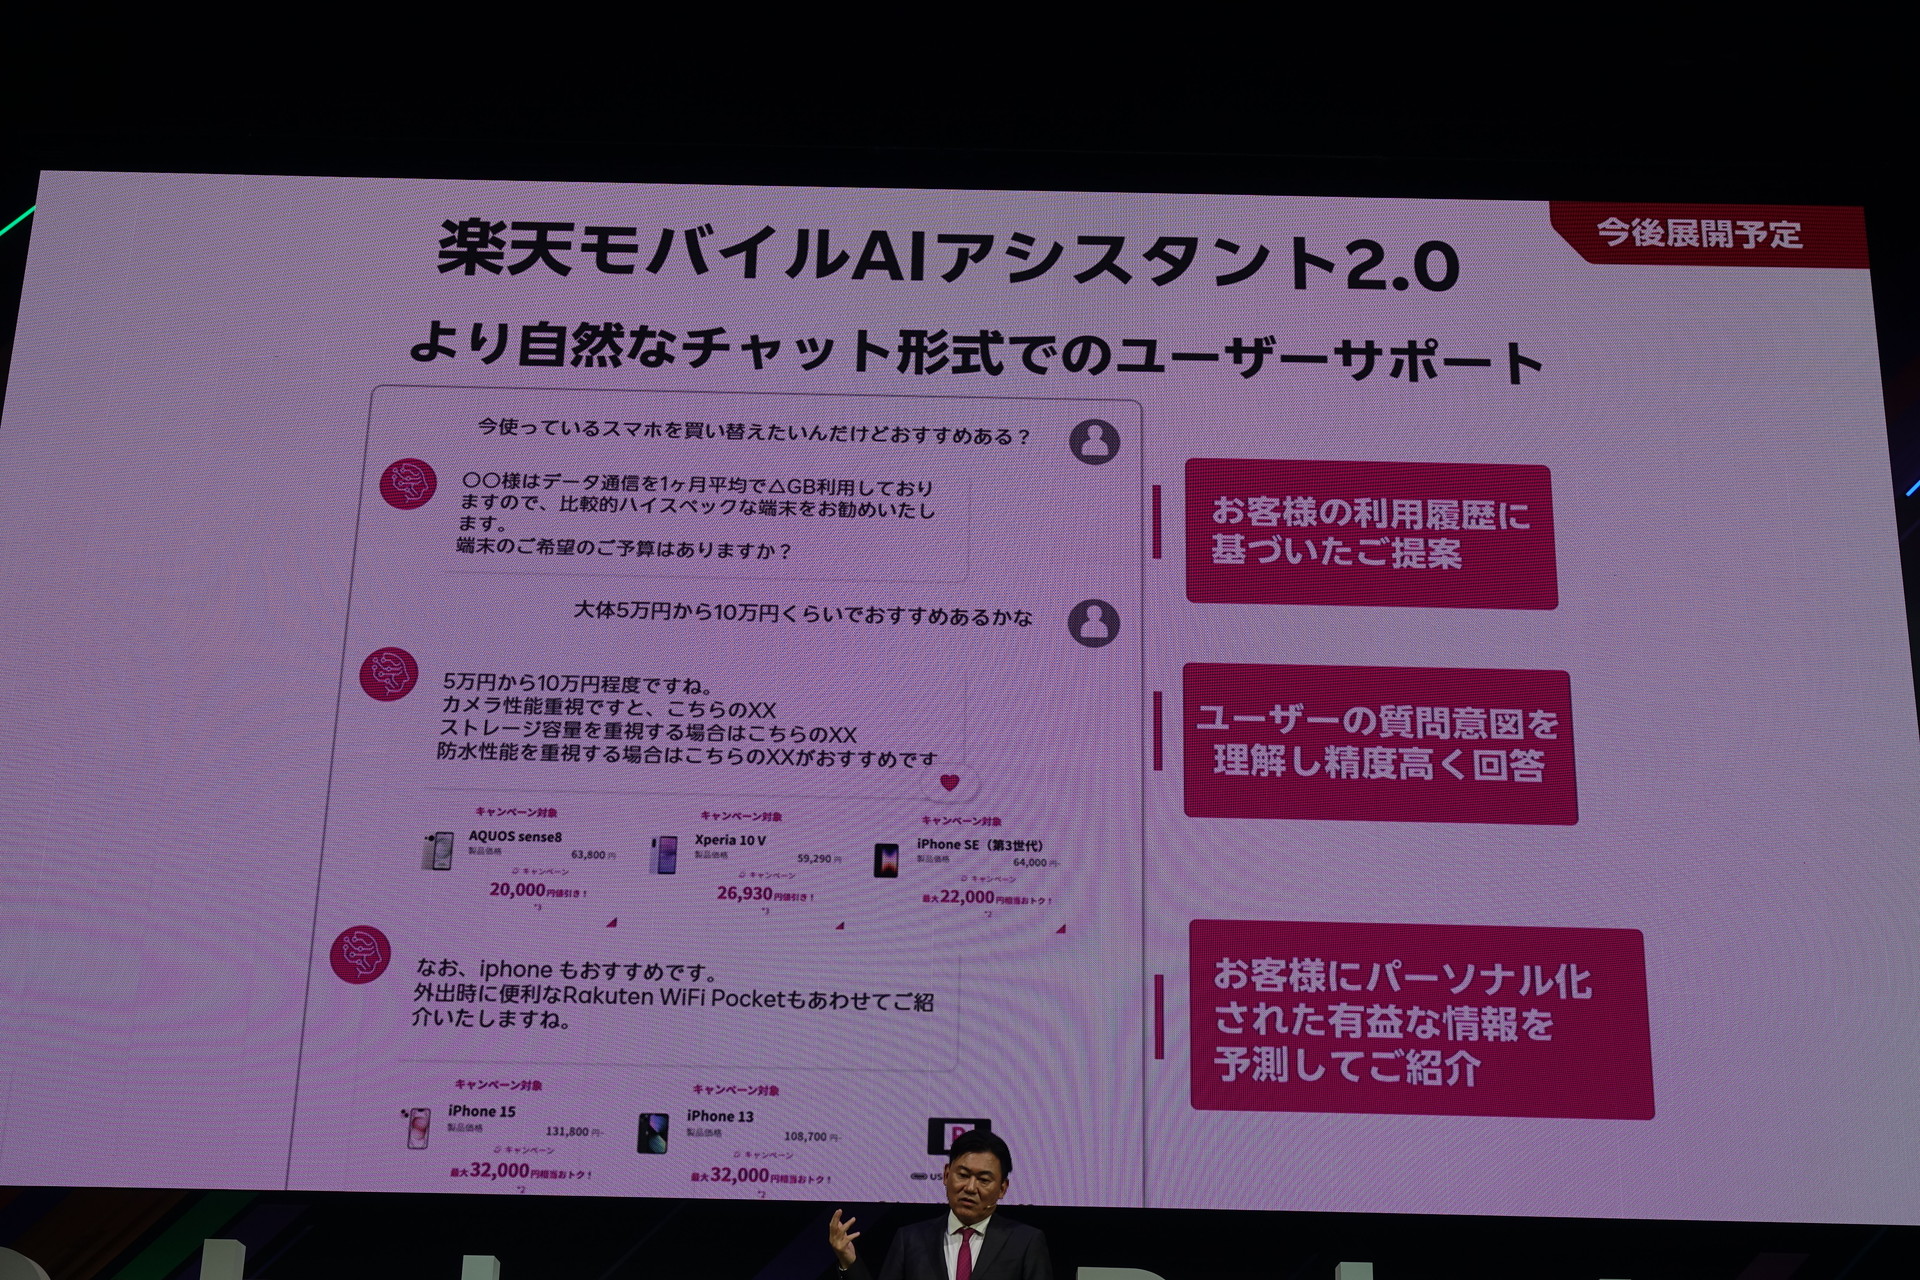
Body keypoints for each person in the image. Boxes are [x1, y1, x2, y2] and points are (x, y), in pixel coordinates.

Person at [827, 1129, 1050, 1280]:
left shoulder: (1026, 1242)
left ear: (1002, 1188)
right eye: (963, 1175)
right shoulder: (910, 1240)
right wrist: (849, 1262)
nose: (970, 1187)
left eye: (983, 1180)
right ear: (946, 1174)